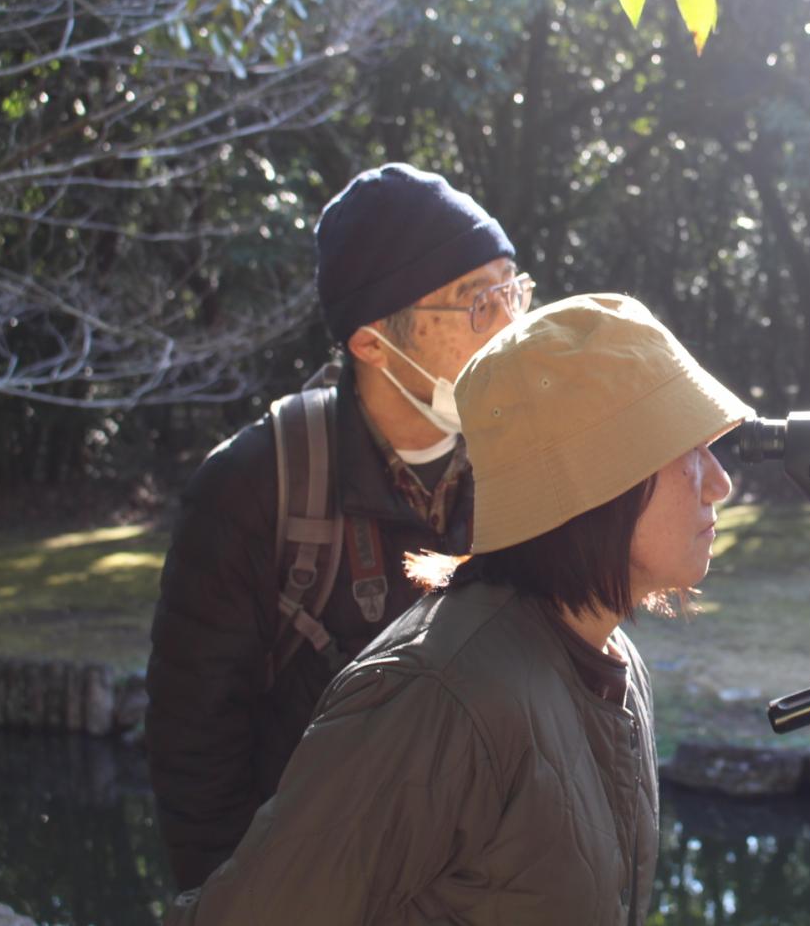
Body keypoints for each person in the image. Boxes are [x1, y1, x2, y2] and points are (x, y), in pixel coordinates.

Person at [165, 293, 750, 925]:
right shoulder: (441, 694)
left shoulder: (611, 657)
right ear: (596, 481)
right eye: (687, 450)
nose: (719, 482)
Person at [145, 163, 535, 890]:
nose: (511, 324)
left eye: (512, 287)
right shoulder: (255, 488)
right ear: (371, 342)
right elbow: (194, 764)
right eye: (475, 301)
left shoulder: (520, 466)